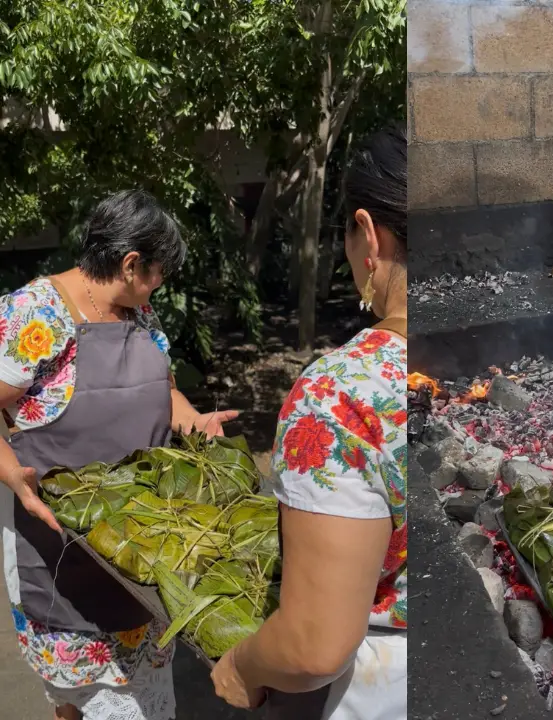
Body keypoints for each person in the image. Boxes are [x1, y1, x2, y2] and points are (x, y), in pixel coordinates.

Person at [0, 189, 239, 720]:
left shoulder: (140, 314)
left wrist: (194, 420)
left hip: (144, 544)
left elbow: (164, 390)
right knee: (75, 697)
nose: (159, 286)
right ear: (130, 264)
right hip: (59, 546)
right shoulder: (34, 313)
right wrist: (12, 473)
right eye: (156, 273)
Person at [211, 125, 408, 719]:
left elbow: (314, 647)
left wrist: (243, 665)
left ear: (368, 232)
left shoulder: (340, 394)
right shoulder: (512, 355)